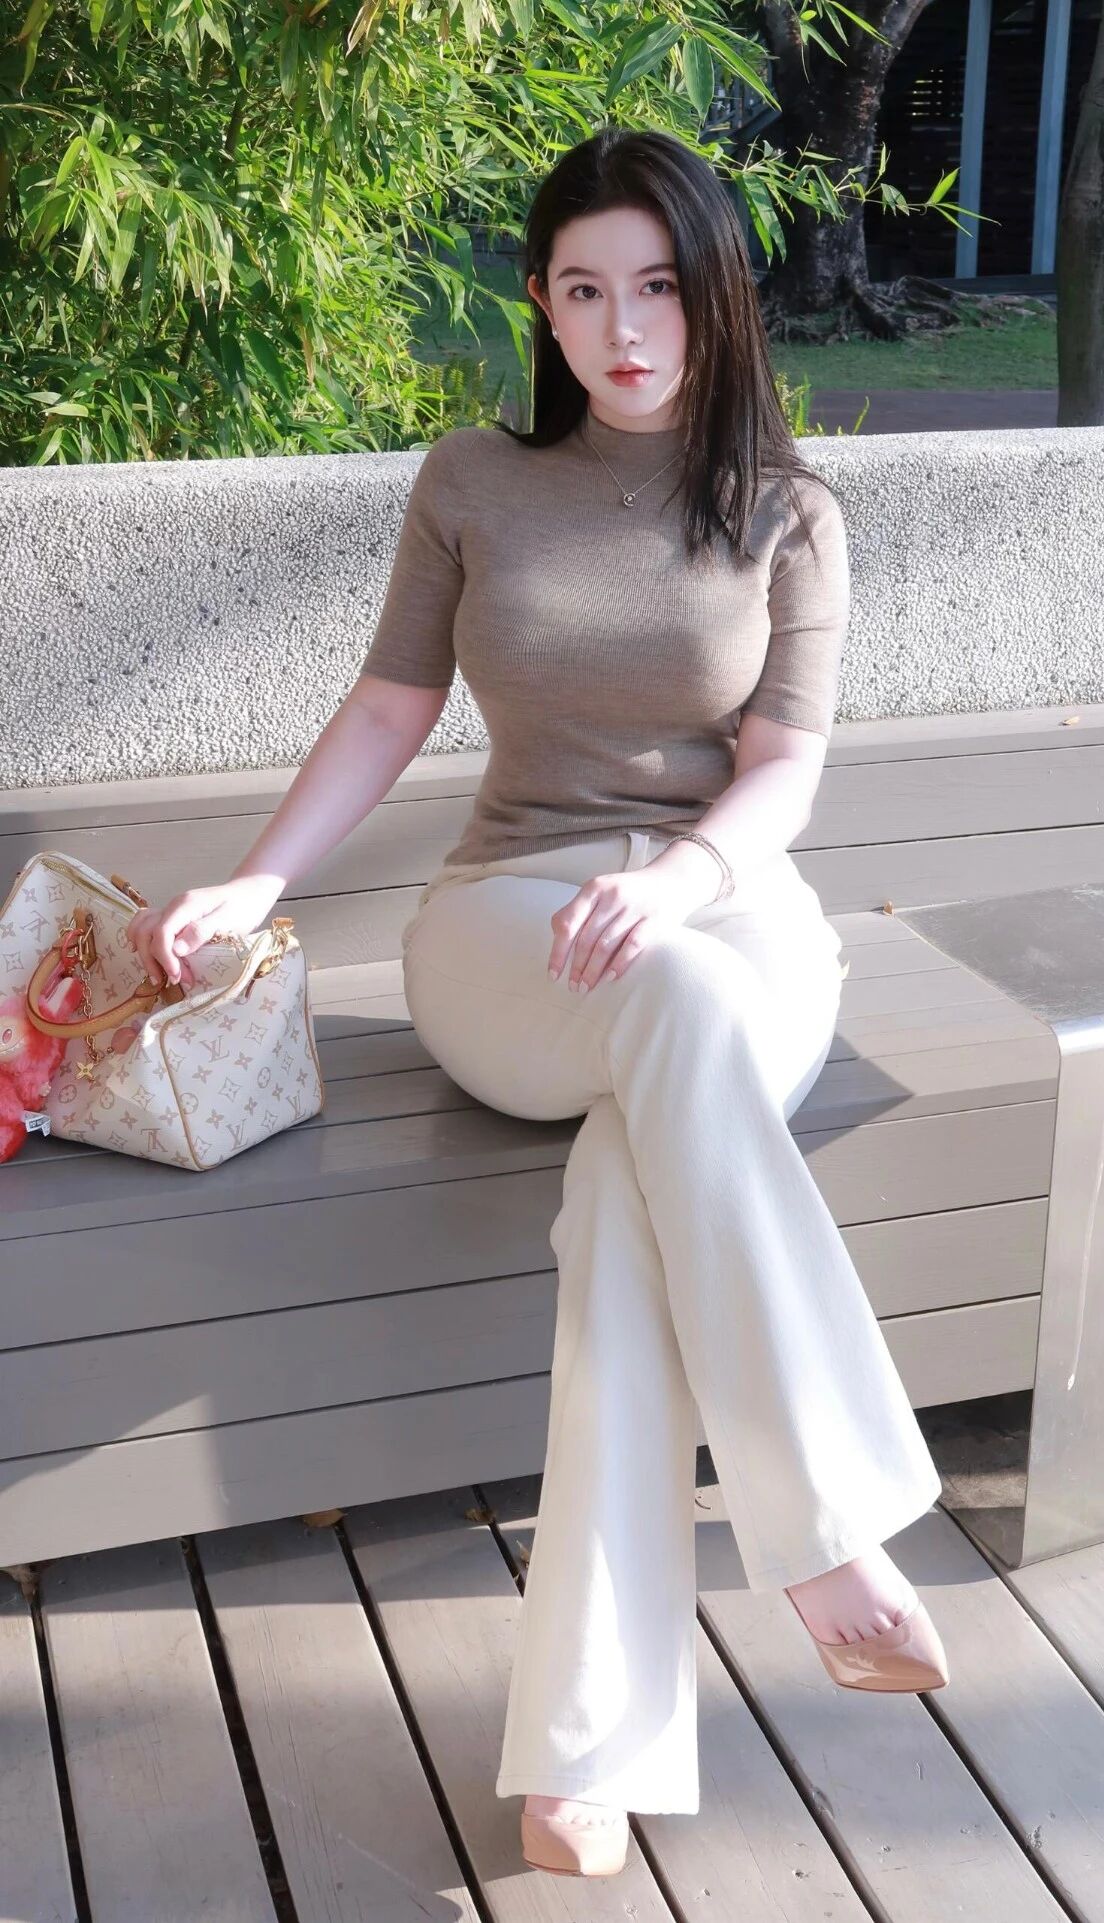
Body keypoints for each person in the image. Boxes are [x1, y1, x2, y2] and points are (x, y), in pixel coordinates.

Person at [125, 126, 949, 1879]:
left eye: (658, 287)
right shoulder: (472, 480)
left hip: (727, 921)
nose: (623, 329)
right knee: (662, 1035)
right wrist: (260, 881)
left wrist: (681, 880)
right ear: (542, 307)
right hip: (510, 927)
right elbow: (388, 708)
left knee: (637, 1181)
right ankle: (824, 1533)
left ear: (718, 295)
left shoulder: (793, 512)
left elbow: (785, 770)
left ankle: (585, 1753)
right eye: (584, 291)